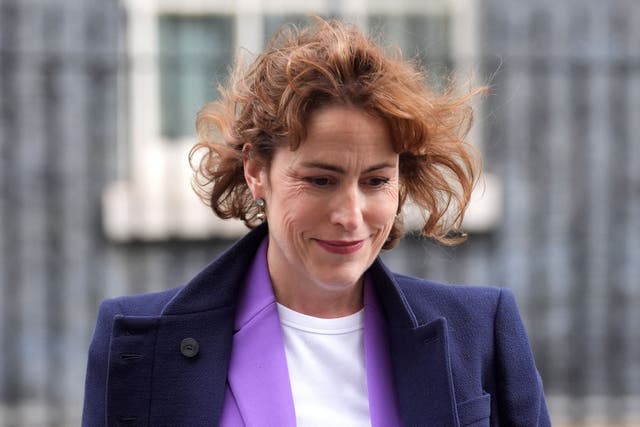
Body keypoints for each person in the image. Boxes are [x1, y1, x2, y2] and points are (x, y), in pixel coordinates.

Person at [82, 18, 550, 426]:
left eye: (375, 181)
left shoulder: (480, 330)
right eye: (321, 180)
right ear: (255, 171)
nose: (350, 216)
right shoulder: (138, 340)